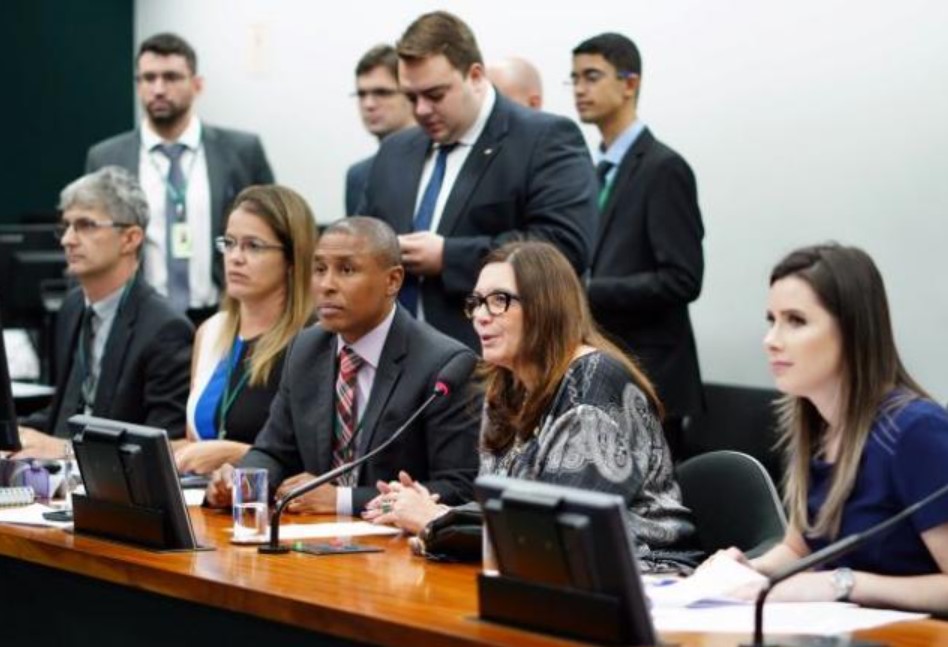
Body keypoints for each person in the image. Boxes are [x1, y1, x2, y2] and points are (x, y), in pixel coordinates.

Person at [364, 241, 695, 569]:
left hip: (647, 576)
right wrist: (431, 512)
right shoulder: (504, 387)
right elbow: (507, 513)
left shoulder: (594, 380)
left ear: (545, 306)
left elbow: (562, 531)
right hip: (544, 576)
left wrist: (436, 519)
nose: (480, 316)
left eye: (498, 301)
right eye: (476, 302)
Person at [719, 244, 948, 613]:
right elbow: (798, 548)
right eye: (771, 320)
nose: (771, 340)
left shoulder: (917, 432)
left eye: (795, 321)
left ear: (852, 331)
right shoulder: (816, 423)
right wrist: (749, 572)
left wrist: (843, 583)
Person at [205, 217, 481, 515]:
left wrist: (342, 500)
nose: (326, 285)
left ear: (393, 280)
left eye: (346, 270)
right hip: (314, 541)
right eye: (320, 269)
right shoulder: (306, 349)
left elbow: (458, 488)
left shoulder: (444, 364)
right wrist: (241, 481)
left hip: (397, 548)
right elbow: (274, 451)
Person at [359, 11, 597, 350]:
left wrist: (448, 256)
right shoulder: (396, 150)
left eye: (435, 95)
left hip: (497, 364)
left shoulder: (543, 139)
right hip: (394, 363)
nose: (422, 110)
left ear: (475, 76)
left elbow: (564, 248)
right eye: (411, 97)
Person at [572, 33, 705, 459]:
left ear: (630, 83)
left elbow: (682, 279)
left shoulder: (663, 168)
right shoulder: (594, 171)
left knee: (654, 516)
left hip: (651, 378)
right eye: (573, 78)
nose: (579, 89)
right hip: (606, 368)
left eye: (591, 76)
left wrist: (588, 290)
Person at [86, 33, 275, 323]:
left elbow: (272, 234)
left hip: (224, 314)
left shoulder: (242, 152)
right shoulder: (107, 158)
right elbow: (92, 243)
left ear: (197, 85)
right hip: (139, 319)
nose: (158, 89)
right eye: (148, 78)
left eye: (171, 77)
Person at [13, 167, 193, 459]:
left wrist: (63, 450)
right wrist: (16, 435)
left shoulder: (166, 329)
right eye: (67, 226)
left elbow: (161, 449)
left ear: (131, 238)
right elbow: (67, 411)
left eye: (85, 225)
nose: (67, 239)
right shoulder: (72, 308)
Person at [174, 185, 317, 475]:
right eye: (229, 243)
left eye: (253, 246)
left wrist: (238, 455)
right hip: (205, 503)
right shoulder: (211, 331)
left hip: (276, 510)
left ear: (292, 259)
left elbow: (319, 461)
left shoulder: (313, 340)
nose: (235, 257)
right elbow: (195, 440)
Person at [345, 44, 415, 216]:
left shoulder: (439, 165)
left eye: (382, 93)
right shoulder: (358, 176)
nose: (368, 104)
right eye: (361, 94)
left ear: (411, 93)